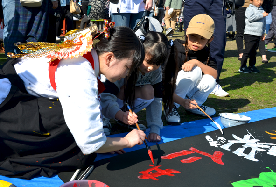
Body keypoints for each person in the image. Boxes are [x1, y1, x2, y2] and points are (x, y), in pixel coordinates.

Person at [0, 26, 146, 179]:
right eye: (127, 68)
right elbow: (90, 143)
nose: (126, 75)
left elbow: (93, 106)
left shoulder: (85, 53)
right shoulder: (80, 73)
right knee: (67, 126)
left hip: (15, 91)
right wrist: (126, 141)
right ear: (109, 58)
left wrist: (112, 137)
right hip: (8, 109)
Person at [100, 31, 170, 142]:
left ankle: (125, 120)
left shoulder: (156, 72)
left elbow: (157, 100)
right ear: (139, 52)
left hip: (123, 105)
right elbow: (106, 95)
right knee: (121, 90)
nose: (151, 68)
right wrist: (118, 113)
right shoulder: (121, 66)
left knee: (148, 90)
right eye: (148, 61)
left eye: (157, 63)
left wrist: (155, 127)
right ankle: (103, 119)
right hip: (106, 102)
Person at [165, 14, 217, 123]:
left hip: (186, 91)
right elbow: (163, 84)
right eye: (193, 36)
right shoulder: (174, 49)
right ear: (187, 32)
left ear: (210, 39)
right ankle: (171, 106)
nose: (196, 42)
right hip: (170, 92)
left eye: (202, 38)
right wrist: (179, 100)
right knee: (195, 71)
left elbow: (214, 75)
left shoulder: (206, 52)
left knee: (210, 79)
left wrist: (196, 62)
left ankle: (194, 106)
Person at [183, 0, 229, 97]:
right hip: (194, 2)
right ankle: (188, 83)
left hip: (217, 2)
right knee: (192, 42)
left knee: (218, 43)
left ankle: (213, 82)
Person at [235, 0, 269, 64]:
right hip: (242, 7)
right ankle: (241, 53)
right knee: (240, 32)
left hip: (258, 8)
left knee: (260, 32)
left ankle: (263, 55)